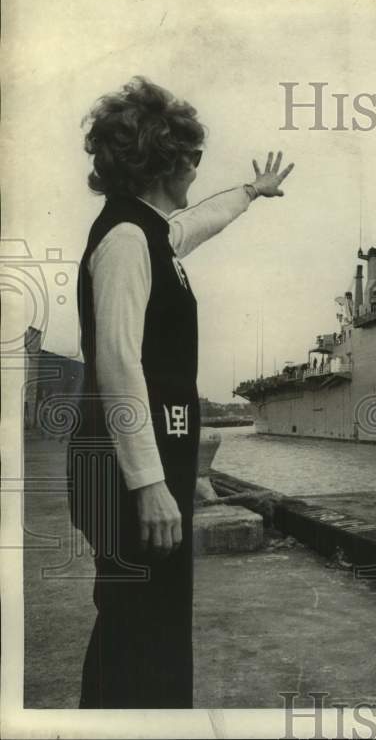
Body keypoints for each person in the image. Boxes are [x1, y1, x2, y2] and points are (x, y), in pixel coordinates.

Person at [69, 77, 294, 708]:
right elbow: (118, 363)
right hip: (123, 475)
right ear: (165, 159)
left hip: (145, 466)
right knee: (140, 630)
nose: (198, 168)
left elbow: (200, 221)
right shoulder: (125, 240)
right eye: (192, 155)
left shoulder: (152, 234)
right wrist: (147, 482)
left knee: (145, 629)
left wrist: (250, 193)